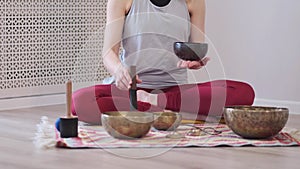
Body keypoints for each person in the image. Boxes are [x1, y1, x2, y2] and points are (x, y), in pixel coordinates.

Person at [71, 0, 255, 124]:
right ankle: (164, 110)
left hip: (173, 89)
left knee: (243, 92)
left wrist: (195, 61)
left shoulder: (193, 2)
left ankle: (153, 103)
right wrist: (119, 70)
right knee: (80, 101)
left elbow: (196, 48)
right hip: (130, 90)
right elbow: (108, 53)